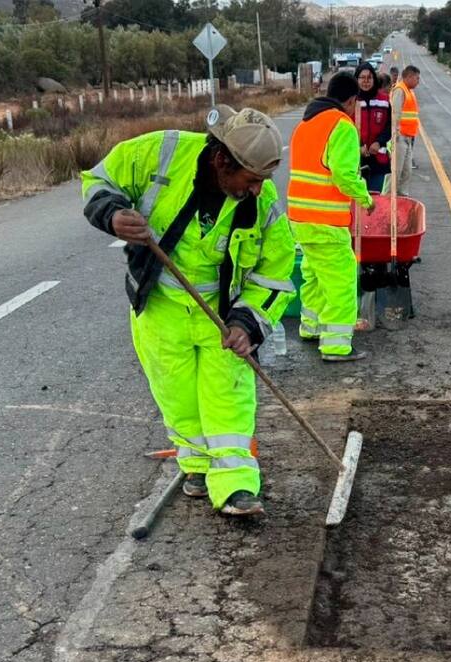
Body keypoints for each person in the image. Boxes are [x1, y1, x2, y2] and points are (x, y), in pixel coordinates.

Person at [81, 107, 296, 517]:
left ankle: (236, 486)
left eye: (263, 181)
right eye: (250, 180)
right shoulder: (160, 152)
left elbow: (276, 271)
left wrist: (247, 322)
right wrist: (112, 214)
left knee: (229, 397)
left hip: (222, 316)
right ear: (221, 162)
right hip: (161, 308)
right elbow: (99, 179)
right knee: (177, 396)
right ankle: (196, 468)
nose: (258, 190)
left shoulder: (262, 202)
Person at [288, 72, 375, 362]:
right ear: (351, 101)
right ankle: (336, 346)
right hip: (325, 220)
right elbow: (344, 175)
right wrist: (365, 198)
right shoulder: (341, 125)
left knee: (312, 275)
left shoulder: (305, 124)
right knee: (340, 280)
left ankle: (310, 327)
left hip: (300, 218)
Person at [353, 64, 391, 194]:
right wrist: (359, 144)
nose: (366, 81)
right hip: (356, 161)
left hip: (379, 160)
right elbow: (347, 126)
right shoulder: (352, 101)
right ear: (356, 80)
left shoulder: (385, 101)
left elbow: (390, 126)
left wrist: (379, 142)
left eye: (369, 77)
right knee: (358, 202)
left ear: (374, 79)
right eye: (362, 77)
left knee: (376, 200)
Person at [391, 65, 421, 194]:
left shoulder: (409, 91)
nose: (418, 81)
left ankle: (402, 197)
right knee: (396, 172)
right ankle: (389, 199)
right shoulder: (400, 90)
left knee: (407, 171)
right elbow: (396, 113)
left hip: (408, 137)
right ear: (408, 77)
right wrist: (396, 134)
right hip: (400, 137)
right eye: (417, 78)